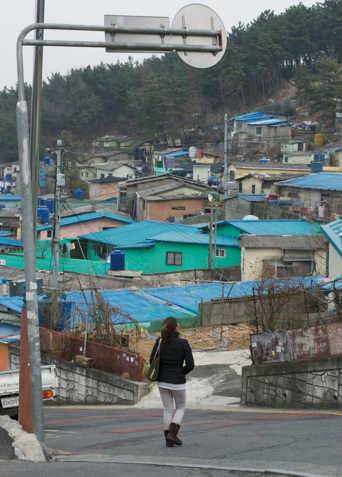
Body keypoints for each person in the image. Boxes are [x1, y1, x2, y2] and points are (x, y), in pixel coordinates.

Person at [149, 317, 194, 447]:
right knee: (180, 407)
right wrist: (181, 372)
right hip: (178, 382)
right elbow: (190, 365)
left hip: (162, 381)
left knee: (168, 410)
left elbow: (152, 362)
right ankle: (172, 435)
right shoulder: (183, 343)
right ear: (176, 327)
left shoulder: (158, 342)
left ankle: (168, 440)